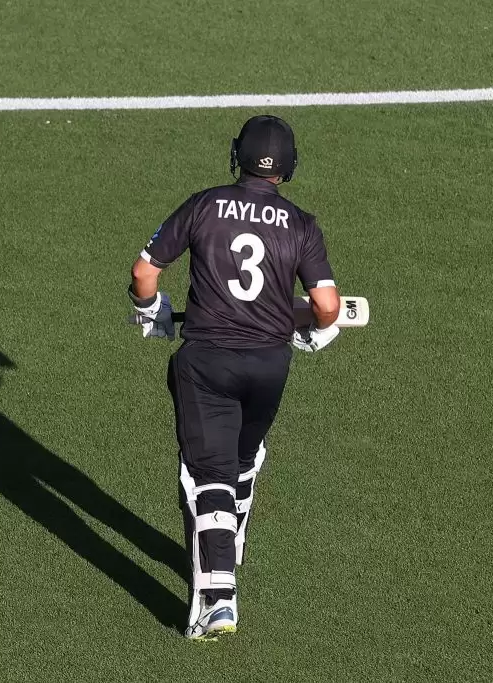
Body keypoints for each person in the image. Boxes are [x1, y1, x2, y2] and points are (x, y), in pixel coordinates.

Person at [127, 115, 341, 640]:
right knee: (243, 455)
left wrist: (150, 310)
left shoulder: (204, 205)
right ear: (288, 166)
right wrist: (306, 325)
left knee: (207, 477)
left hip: (208, 363)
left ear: (237, 155)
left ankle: (218, 600)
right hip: (269, 366)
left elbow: (143, 274)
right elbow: (327, 306)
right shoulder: (302, 224)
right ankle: (235, 531)